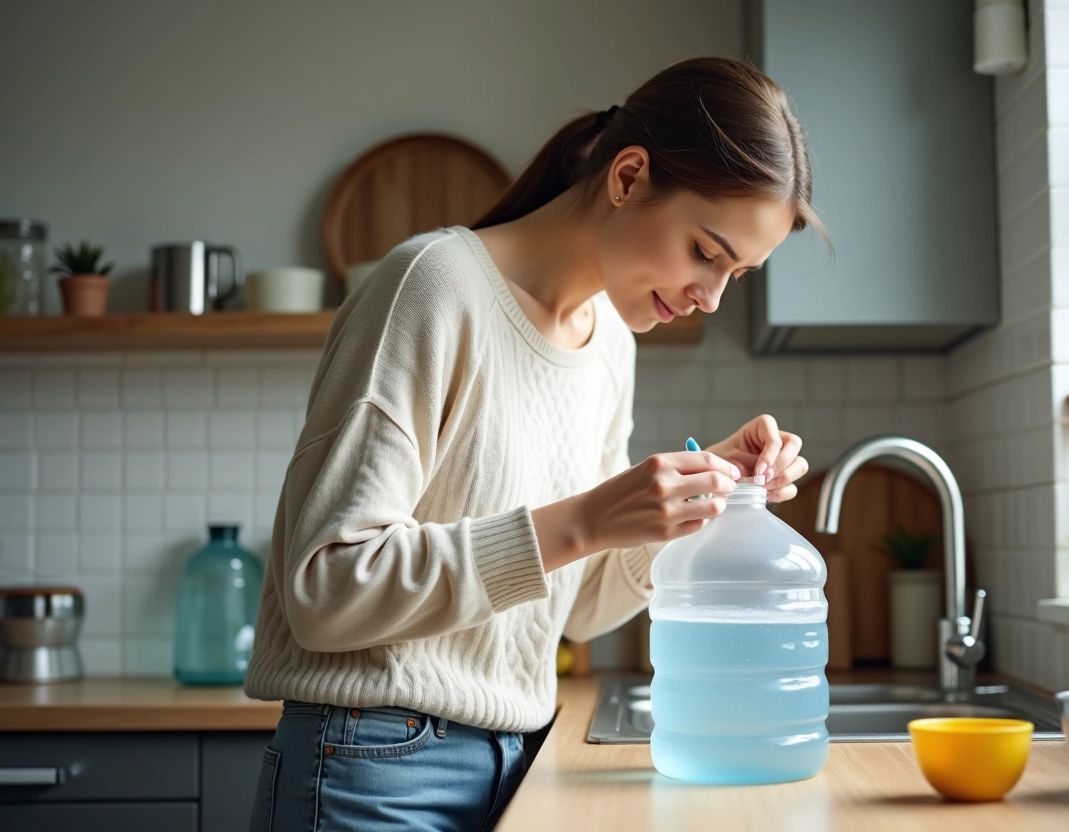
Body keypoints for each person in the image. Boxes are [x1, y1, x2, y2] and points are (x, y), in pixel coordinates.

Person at [245, 55, 824, 832]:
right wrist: (584, 519)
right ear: (628, 178)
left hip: (514, 760)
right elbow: (325, 588)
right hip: (371, 767)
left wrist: (706, 497)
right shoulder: (433, 285)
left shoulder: (610, 341)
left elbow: (579, 609)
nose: (709, 297)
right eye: (705, 253)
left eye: (737, 275)